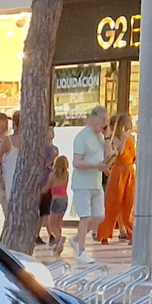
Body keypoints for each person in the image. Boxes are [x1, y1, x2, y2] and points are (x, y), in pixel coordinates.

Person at [68, 105, 108, 259]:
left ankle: (78, 239)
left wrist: (108, 137)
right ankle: (82, 251)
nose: (104, 123)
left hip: (96, 182)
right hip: (82, 183)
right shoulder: (82, 136)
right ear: (94, 117)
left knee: (99, 216)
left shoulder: (100, 137)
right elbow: (77, 162)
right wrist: (95, 166)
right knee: (86, 217)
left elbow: (109, 154)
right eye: (102, 119)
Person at [98, 111, 135, 245]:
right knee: (113, 204)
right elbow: (117, 153)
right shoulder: (117, 138)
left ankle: (132, 232)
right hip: (119, 172)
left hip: (129, 171)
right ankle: (104, 234)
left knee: (128, 204)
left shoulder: (131, 137)